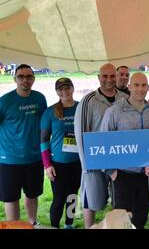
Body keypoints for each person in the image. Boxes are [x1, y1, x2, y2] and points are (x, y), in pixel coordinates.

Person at [100, 73, 149, 229]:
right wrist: (111, 171)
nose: (140, 89)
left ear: (148, 87)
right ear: (130, 86)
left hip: (145, 176)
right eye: (137, 85)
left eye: (144, 85)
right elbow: (102, 142)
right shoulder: (115, 111)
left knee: (141, 217)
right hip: (122, 174)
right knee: (121, 220)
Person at [74, 63, 128, 228]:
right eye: (105, 76)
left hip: (119, 158)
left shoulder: (124, 98)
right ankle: (89, 227)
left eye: (112, 76)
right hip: (95, 161)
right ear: (99, 77)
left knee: (118, 199)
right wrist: (87, 165)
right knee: (92, 200)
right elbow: (81, 134)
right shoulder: (88, 101)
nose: (109, 80)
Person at [0, 64, 47, 224]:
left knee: (32, 194)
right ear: (15, 79)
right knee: (11, 198)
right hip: (9, 160)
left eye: (28, 77)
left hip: (34, 158)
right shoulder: (5, 101)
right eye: (21, 76)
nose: (25, 80)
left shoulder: (40, 99)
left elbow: (44, 125)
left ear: (33, 79)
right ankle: (14, 226)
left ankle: (33, 223)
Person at [40, 78, 80, 229]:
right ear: (57, 91)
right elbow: (43, 140)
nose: (65, 92)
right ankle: (54, 226)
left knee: (72, 196)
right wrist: (47, 165)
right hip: (58, 164)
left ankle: (69, 224)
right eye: (61, 89)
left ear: (73, 88)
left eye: (67, 88)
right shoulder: (50, 112)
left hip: (77, 163)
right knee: (59, 199)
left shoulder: (81, 107)